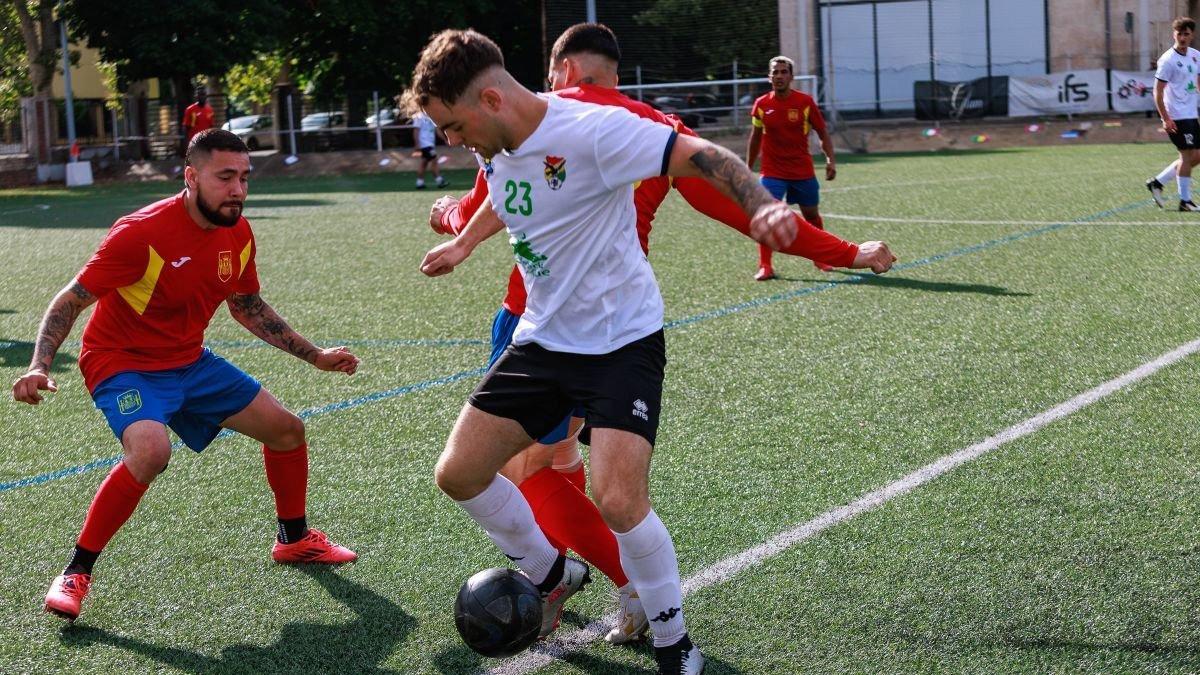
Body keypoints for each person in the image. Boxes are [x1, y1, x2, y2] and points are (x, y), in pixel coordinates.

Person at [409, 28, 893, 675]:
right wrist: (464, 242)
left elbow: (699, 156)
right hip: (541, 340)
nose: (449, 140)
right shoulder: (494, 144)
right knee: (459, 472)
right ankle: (555, 570)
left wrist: (762, 209)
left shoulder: (594, 129)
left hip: (620, 342)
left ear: (492, 99)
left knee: (617, 496)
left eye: (451, 124)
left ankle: (676, 643)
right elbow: (503, 193)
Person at [12, 129, 360, 623]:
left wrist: (316, 356)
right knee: (151, 450)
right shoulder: (141, 232)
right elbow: (71, 299)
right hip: (121, 361)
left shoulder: (237, 232)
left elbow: (247, 306)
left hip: (190, 362)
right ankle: (76, 571)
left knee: (287, 430)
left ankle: (294, 539)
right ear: (191, 177)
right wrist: (39, 365)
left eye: (244, 178)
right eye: (225, 177)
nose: (237, 189)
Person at [746, 56, 838, 280]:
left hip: (801, 171)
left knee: (811, 216)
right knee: (766, 216)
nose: (779, 76)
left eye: (783, 72)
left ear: (791, 76)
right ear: (769, 77)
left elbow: (822, 132)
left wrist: (830, 160)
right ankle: (765, 266)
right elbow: (755, 138)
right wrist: (747, 168)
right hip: (772, 172)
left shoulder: (805, 103)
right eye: (775, 72)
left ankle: (820, 257)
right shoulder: (762, 105)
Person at [1145, 16, 1200, 212]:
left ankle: (1158, 182)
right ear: (1174, 34)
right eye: (1179, 34)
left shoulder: (1195, 55)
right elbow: (1157, 91)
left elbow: (1198, 82)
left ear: (1192, 35)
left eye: (1186, 34)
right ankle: (1185, 201)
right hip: (1176, 115)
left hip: (1191, 114)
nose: (1183, 37)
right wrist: (1165, 118)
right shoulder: (1168, 60)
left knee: (1197, 155)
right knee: (1186, 156)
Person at [412, 110, 449, 190]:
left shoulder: (431, 115)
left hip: (430, 144)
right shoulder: (419, 116)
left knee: (424, 163)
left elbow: (437, 130)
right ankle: (439, 181)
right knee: (434, 161)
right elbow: (416, 131)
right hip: (424, 144)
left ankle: (419, 182)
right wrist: (417, 144)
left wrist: (445, 140)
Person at [182, 87, 215, 154]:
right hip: (194, 143)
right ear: (196, 96)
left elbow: (211, 128)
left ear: (206, 96)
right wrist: (186, 144)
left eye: (203, 94)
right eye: (200, 94)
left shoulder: (210, 110)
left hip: (205, 143)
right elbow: (185, 128)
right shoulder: (190, 110)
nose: (202, 97)